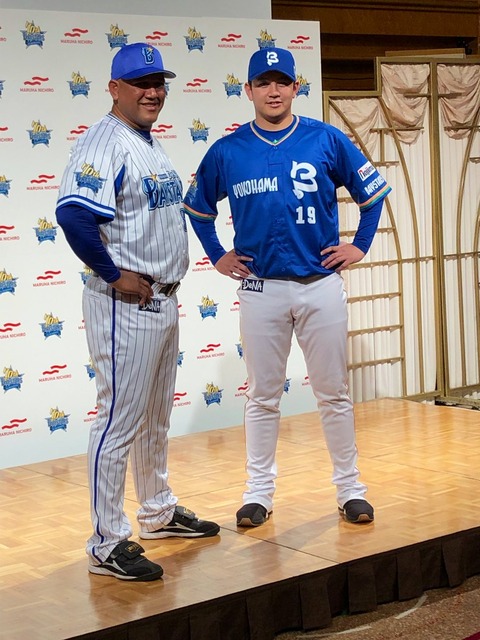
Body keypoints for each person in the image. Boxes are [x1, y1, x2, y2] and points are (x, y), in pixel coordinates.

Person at [183, 47, 391, 528]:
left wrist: (359, 245)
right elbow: (198, 209)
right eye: (263, 82)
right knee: (262, 396)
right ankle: (258, 493)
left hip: (320, 284)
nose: (273, 91)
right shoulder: (229, 151)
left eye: (282, 81)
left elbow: (373, 193)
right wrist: (217, 254)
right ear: (248, 90)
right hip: (261, 288)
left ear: (297, 87)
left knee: (334, 393)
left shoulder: (325, 138)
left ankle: (350, 489)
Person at [56, 43, 219, 582]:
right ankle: (106, 542)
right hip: (125, 303)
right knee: (118, 419)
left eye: (158, 83)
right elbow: (73, 215)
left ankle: (157, 511)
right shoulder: (104, 142)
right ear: (114, 88)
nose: (153, 92)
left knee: (154, 416)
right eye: (140, 83)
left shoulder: (146, 140)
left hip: (161, 298)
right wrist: (111, 273)